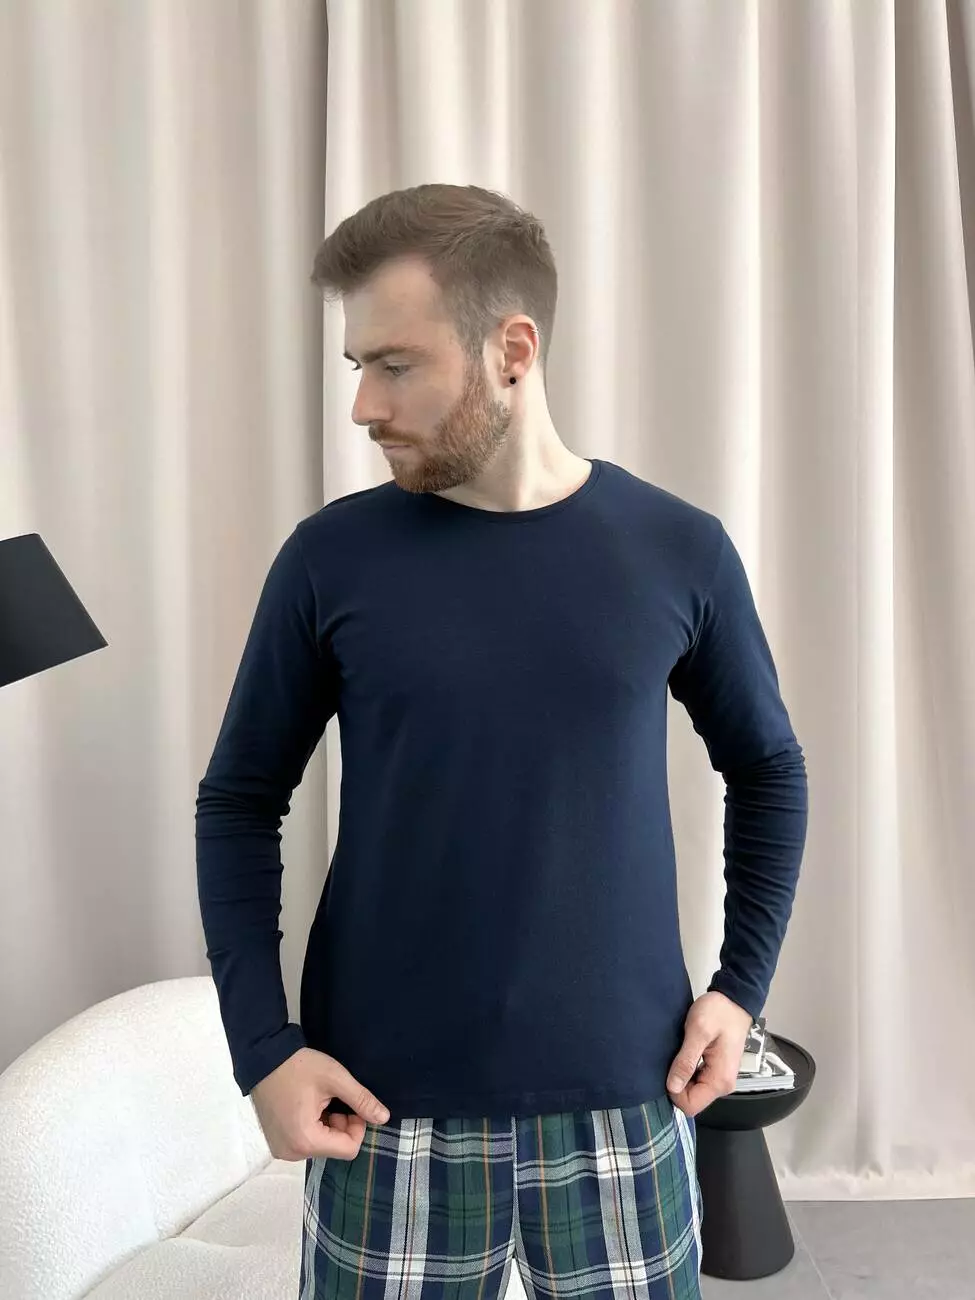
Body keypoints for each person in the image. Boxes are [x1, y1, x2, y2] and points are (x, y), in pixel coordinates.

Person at [195, 183, 808, 1300]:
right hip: (382, 1111)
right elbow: (239, 799)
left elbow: (768, 768)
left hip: (627, 1100)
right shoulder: (331, 560)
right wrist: (262, 1050)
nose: (363, 406)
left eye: (395, 365)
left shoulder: (678, 550)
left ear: (511, 350)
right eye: (358, 366)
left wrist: (740, 987)